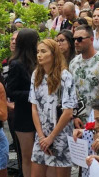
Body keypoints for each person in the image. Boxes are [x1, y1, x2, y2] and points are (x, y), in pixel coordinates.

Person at [29, 39, 76, 177]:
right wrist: (42, 136)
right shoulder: (36, 74)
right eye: (38, 51)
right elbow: (34, 108)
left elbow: (68, 112)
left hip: (60, 133)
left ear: (53, 54)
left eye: (43, 51)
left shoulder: (65, 76)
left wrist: (51, 137)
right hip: (41, 134)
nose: (39, 55)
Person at [5, 29, 38, 177]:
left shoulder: (38, 61)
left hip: (38, 113)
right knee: (27, 155)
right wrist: (34, 94)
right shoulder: (16, 64)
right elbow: (11, 91)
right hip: (24, 114)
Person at [69, 24, 99, 128]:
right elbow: (72, 93)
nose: (76, 42)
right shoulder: (73, 63)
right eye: (74, 39)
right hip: (78, 120)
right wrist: (74, 115)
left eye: (80, 39)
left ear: (91, 39)